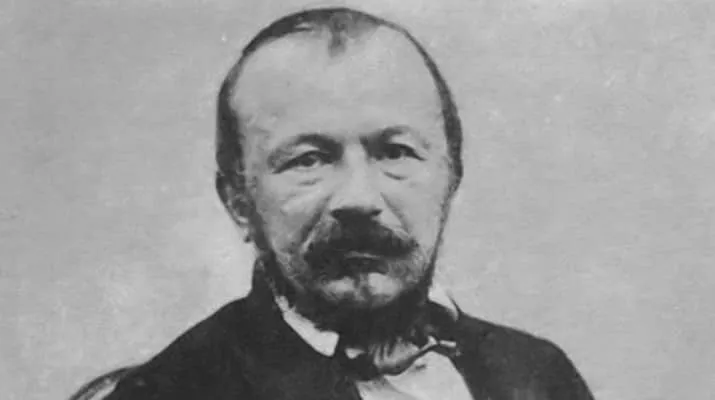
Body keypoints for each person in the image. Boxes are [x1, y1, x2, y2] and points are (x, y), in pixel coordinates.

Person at [72, 6, 594, 400]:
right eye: (309, 160)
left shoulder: (535, 375)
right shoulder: (175, 390)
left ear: (451, 175)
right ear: (238, 201)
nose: (358, 199)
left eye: (396, 152)